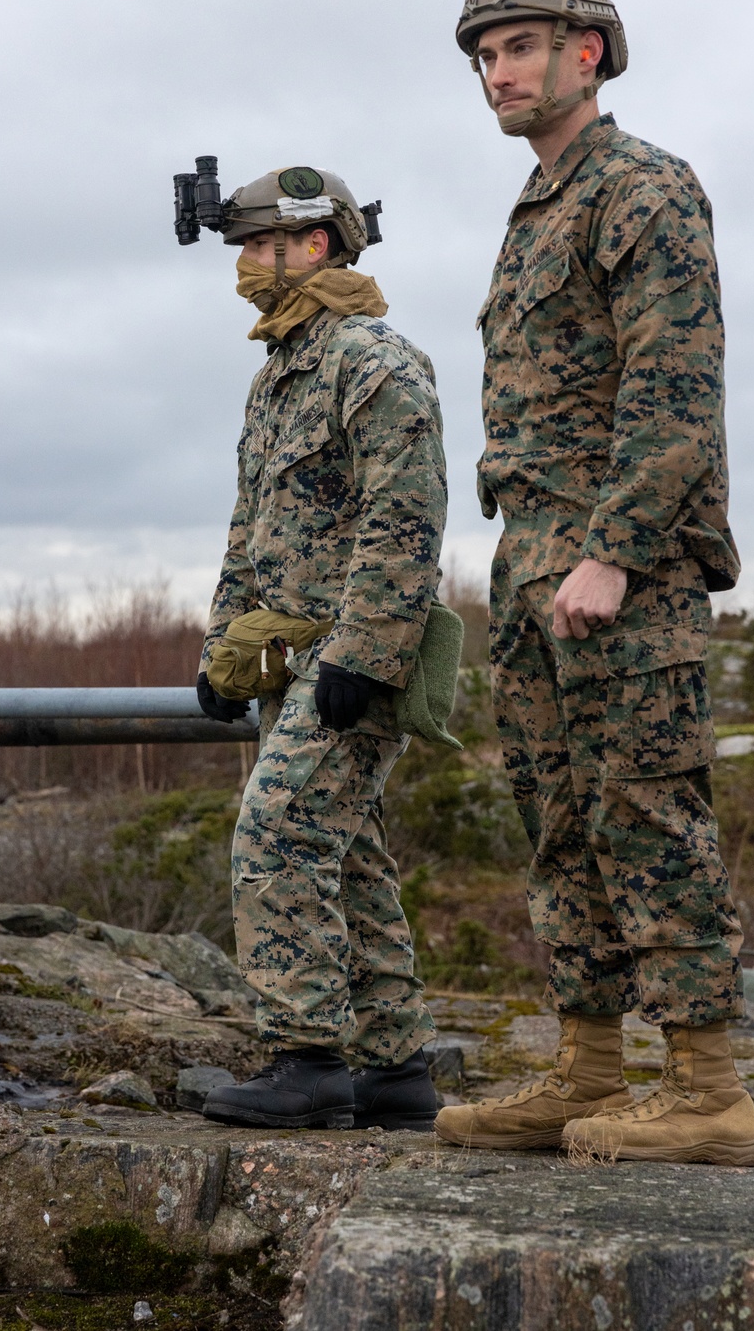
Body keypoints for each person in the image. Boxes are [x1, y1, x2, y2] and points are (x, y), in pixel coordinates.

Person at [434, 0, 754, 1165]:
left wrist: (615, 552)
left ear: (589, 51)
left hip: (619, 567)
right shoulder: (538, 210)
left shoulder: (640, 187)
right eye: (484, 55)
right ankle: (586, 1065)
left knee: (645, 808)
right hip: (535, 563)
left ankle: (706, 1089)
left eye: (520, 44)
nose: (499, 71)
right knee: (558, 819)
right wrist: (540, 561)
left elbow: (675, 390)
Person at [196, 166, 445, 1130]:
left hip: (351, 659)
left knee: (280, 831)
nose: (247, 268)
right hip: (291, 658)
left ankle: (306, 1060)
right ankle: (394, 1069)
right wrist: (225, 651)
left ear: (316, 246)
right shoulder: (279, 376)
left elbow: (407, 510)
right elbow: (249, 527)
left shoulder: (372, 361)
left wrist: (366, 651)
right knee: (347, 856)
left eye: (260, 245)